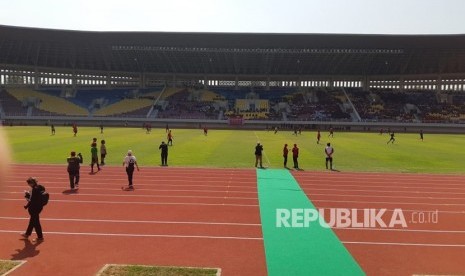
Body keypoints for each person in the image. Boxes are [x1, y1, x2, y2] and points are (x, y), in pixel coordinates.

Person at [22, 177, 44, 242]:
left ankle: (40, 237)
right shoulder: (40, 187)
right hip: (39, 207)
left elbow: (32, 200)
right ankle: (27, 234)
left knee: (36, 223)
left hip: (34, 208)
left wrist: (27, 196)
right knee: (32, 221)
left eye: (29, 184)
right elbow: (37, 197)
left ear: (31, 183)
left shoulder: (35, 190)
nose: (29, 185)